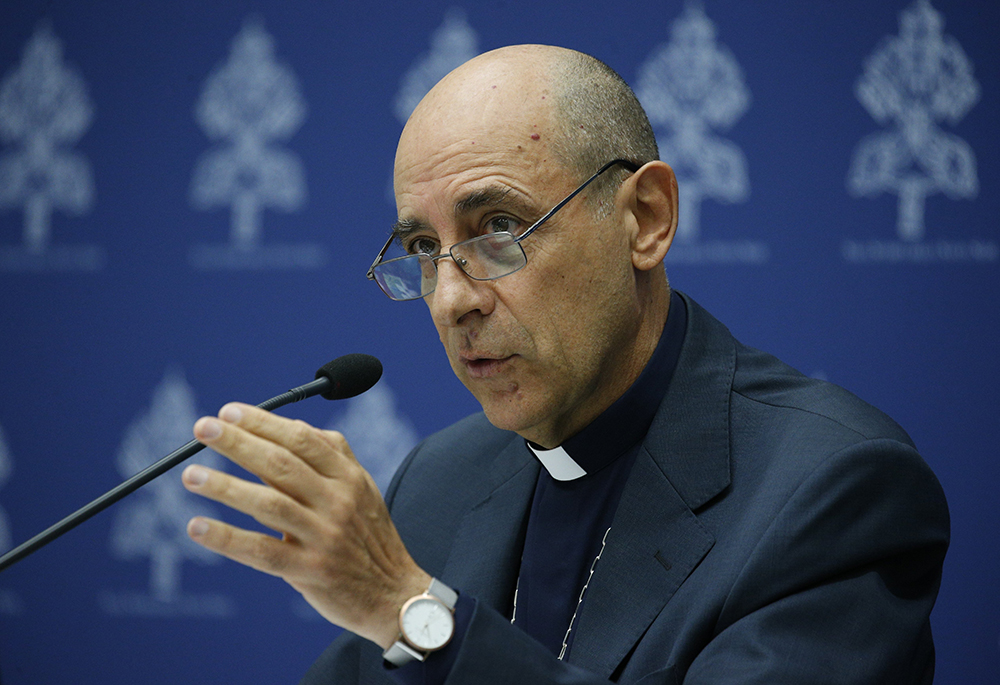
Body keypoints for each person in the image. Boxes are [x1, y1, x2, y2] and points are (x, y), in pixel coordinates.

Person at [180, 45, 949, 683]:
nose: (450, 300)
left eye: (499, 226)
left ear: (644, 220)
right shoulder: (440, 480)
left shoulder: (832, 488)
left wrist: (419, 616)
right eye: (422, 249)